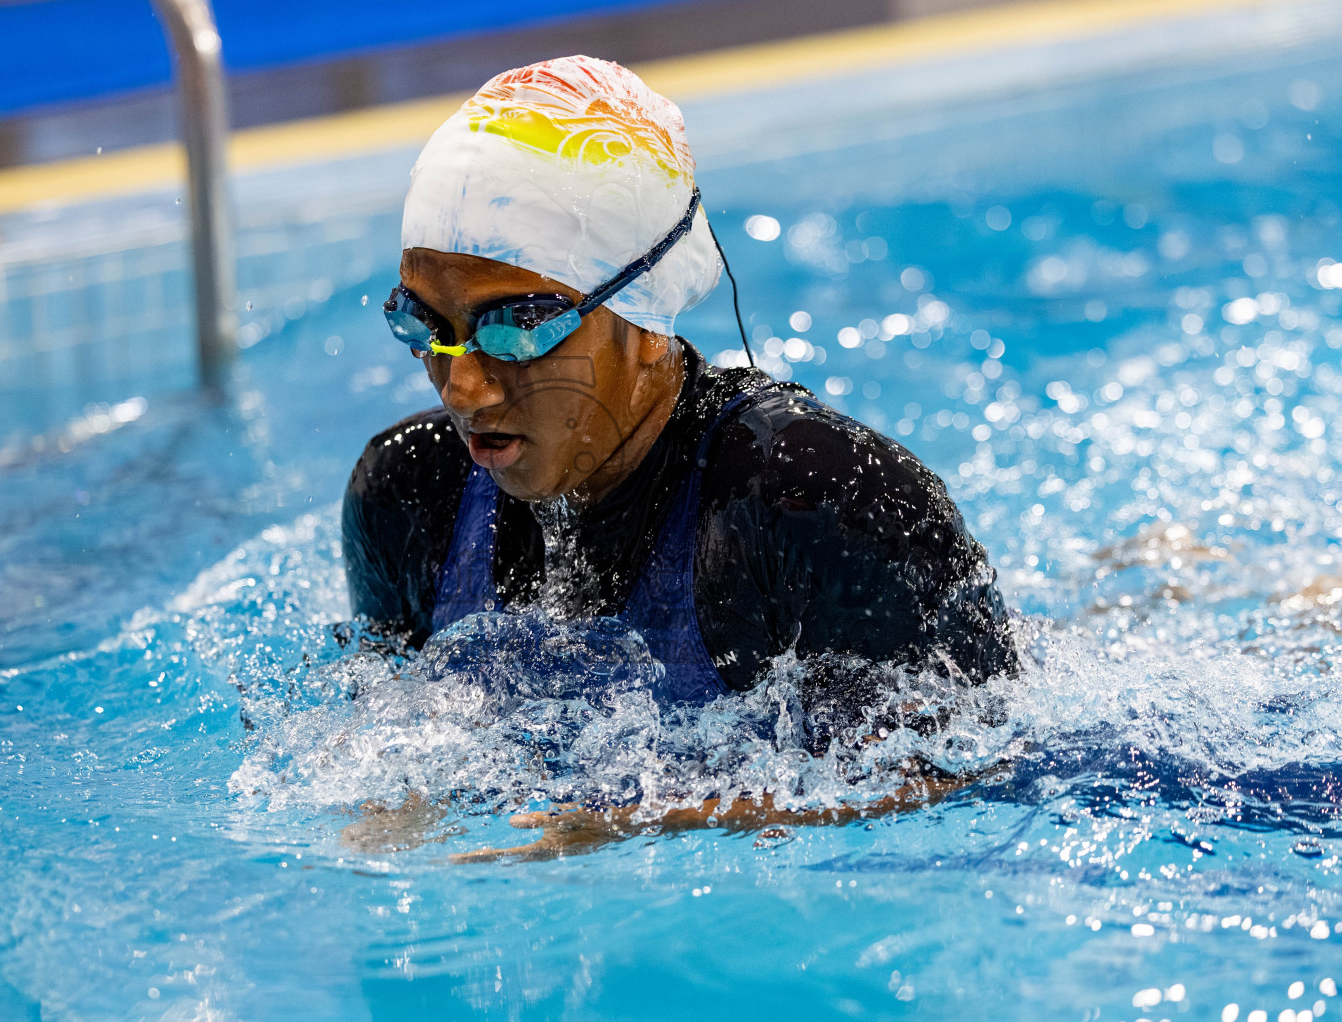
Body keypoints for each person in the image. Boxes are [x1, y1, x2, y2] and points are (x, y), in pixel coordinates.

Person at [341, 56, 1017, 860]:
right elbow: (383, 726)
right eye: (425, 325)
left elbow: (979, 768)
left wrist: (654, 822)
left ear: (643, 312)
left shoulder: (809, 495)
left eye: (519, 324)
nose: (463, 386)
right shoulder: (412, 492)